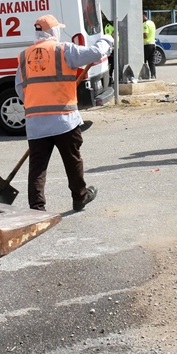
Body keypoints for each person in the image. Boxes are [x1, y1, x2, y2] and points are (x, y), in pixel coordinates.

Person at [15, 14, 113, 212]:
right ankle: (79, 197)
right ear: (53, 31)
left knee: (38, 167)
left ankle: (36, 207)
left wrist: (35, 104)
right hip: (63, 119)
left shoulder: (25, 56)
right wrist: (107, 40)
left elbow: (19, 87)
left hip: (36, 122)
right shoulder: (64, 50)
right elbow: (94, 53)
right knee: (72, 160)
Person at [142, 12, 157, 80]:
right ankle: (153, 75)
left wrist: (137, 35)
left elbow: (146, 35)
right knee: (151, 62)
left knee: (143, 61)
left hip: (146, 45)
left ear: (143, 16)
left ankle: (144, 75)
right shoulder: (152, 23)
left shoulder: (145, 24)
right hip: (153, 44)